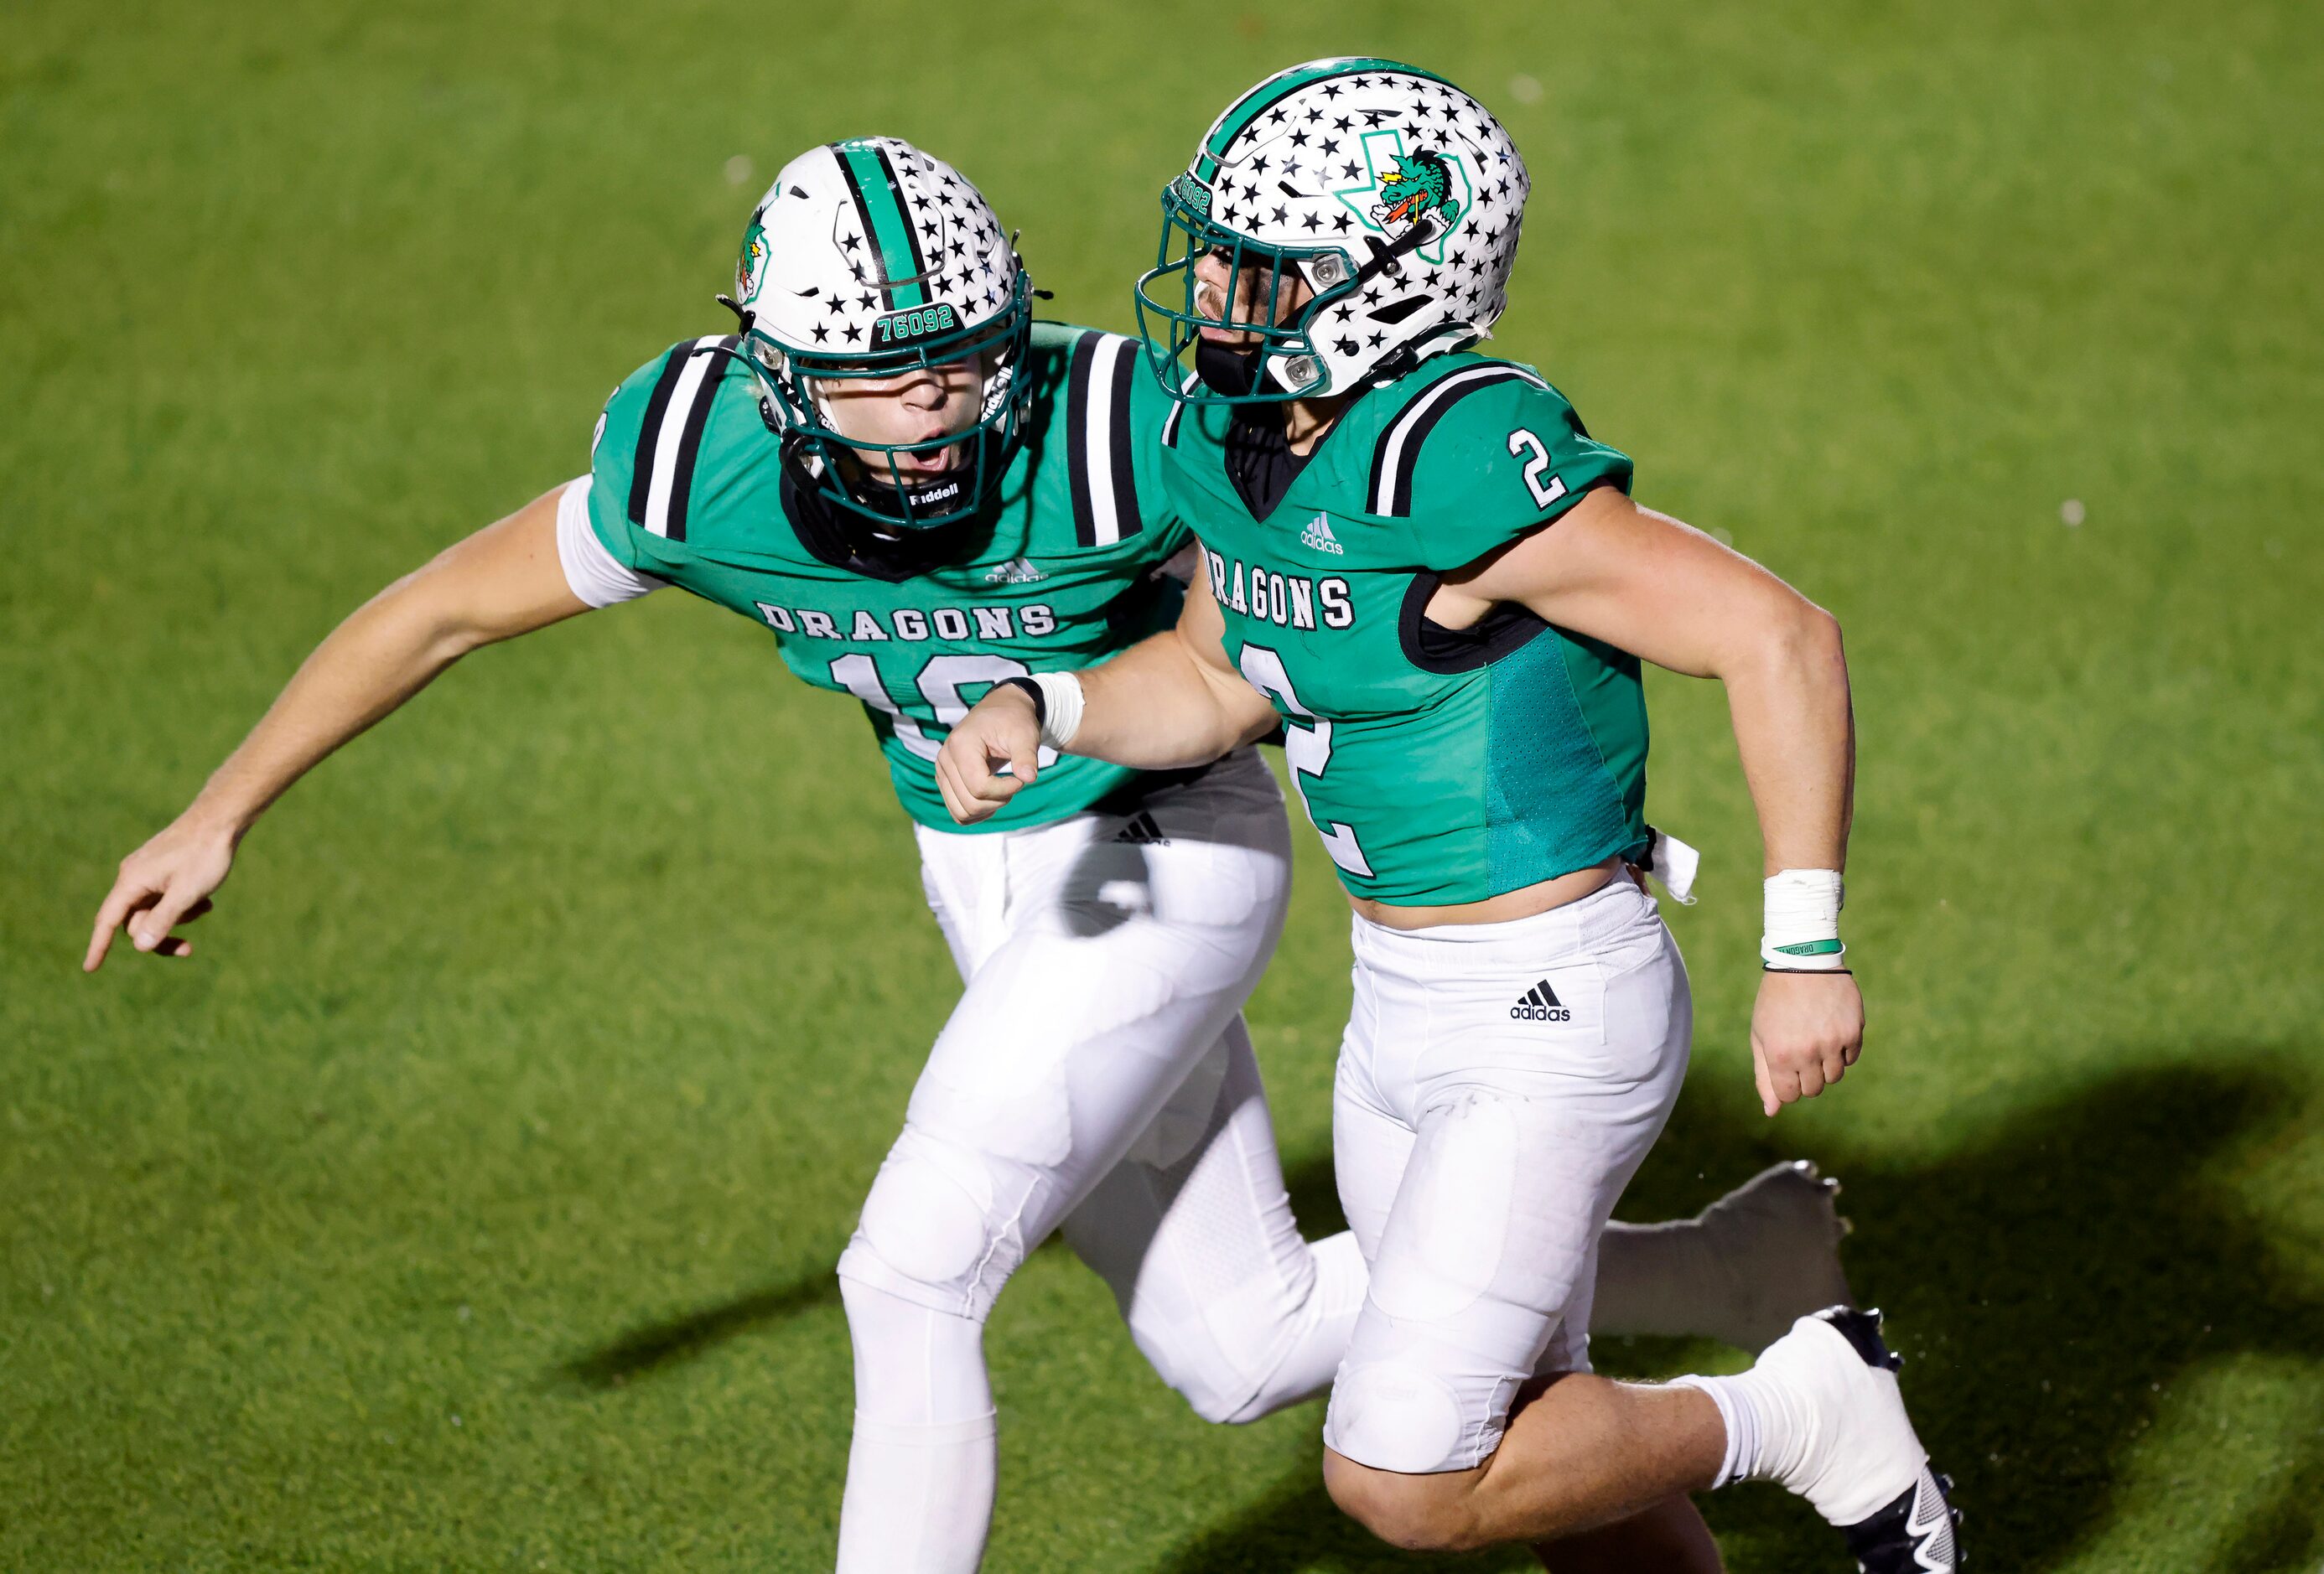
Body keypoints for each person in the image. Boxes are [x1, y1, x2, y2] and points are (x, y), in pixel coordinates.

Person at [88, 135, 1854, 1572]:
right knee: (1236, 1348)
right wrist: (220, 805)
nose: (933, 410)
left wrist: (1501, 753)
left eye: (962, 360)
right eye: (877, 380)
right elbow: (444, 612)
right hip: (988, 872)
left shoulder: (1115, 424)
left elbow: (1331, 550)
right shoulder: (695, 459)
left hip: (1160, 846)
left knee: (911, 1266)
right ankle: (1722, 1272)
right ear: (777, 378)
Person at [936, 60, 1961, 1573]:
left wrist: (1804, 944)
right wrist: (1057, 707)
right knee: (1552, 1441)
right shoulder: (1241, 435)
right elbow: (1220, 677)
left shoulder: (1458, 449)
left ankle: (1807, 1405)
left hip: (1552, 1001)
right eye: (1216, 248)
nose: (1214, 289)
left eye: (1260, 265)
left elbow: (1777, 634)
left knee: (1405, 1476)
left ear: (1388, 283)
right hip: (1398, 1010)